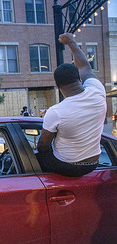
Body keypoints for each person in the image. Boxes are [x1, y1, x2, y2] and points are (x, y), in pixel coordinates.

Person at [36, 33, 106, 177]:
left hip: (66, 166)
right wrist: (71, 42)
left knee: (32, 159)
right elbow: (85, 66)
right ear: (79, 78)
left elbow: (43, 146)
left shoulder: (56, 112)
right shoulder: (97, 91)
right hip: (93, 163)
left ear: (57, 85)